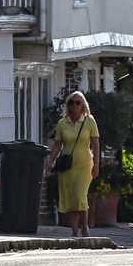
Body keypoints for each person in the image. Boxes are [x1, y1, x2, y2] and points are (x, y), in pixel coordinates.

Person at [46, 91, 101, 237]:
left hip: (84, 165)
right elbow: (57, 145)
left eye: (78, 102)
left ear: (83, 105)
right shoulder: (62, 123)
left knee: (79, 195)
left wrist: (96, 165)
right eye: (71, 102)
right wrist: (50, 161)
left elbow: (95, 144)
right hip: (67, 166)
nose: (74, 105)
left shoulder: (89, 121)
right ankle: (74, 230)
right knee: (69, 197)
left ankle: (85, 226)